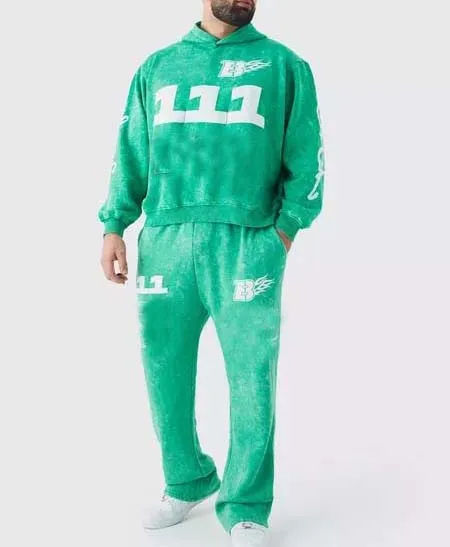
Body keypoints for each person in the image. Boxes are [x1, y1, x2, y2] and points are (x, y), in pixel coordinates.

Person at [98, 0, 325, 544]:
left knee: (251, 376)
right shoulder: (158, 67)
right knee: (163, 369)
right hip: (166, 239)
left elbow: (307, 155)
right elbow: (132, 150)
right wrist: (114, 225)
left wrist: (284, 231)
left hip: (247, 243)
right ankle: (186, 478)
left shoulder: (284, 66)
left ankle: (245, 503)